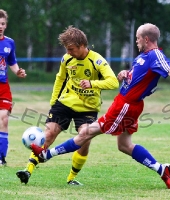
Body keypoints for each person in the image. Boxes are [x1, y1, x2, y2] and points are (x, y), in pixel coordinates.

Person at [31, 23, 170, 189]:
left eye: (137, 38)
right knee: (124, 145)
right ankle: (162, 169)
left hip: (125, 105)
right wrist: (125, 74)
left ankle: (46, 154)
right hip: (128, 104)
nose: (136, 42)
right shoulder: (144, 56)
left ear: (146, 39)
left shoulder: (155, 54)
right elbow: (139, 78)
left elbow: (169, 69)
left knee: (86, 133)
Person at [16, 26, 119, 185]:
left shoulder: (97, 60)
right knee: (48, 135)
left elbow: (113, 82)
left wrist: (92, 83)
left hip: (88, 108)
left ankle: (71, 178)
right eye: (67, 49)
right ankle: (27, 171)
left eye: (71, 49)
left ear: (82, 46)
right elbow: (60, 79)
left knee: (85, 140)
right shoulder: (66, 59)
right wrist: (53, 101)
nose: (68, 52)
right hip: (64, 103)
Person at [0, 9, 26, 165]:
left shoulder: (9, 42)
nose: (0, 26)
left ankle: (1, 158)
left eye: (3, 24)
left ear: (6, 25)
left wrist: (18, 71)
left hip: (3, 88)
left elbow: (12, 61)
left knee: (4, 120)